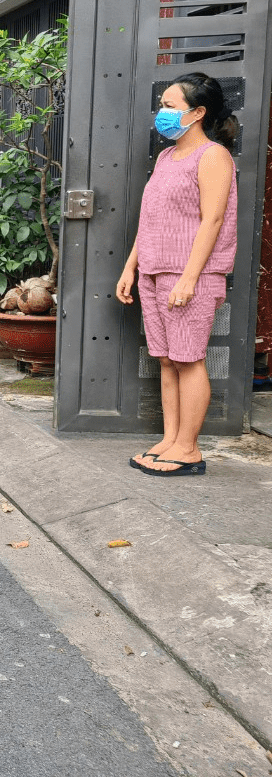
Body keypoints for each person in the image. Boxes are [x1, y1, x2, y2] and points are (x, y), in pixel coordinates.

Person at [116, 72, 239, 477]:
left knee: (188, 359)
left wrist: (189, 278)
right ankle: (170, 439)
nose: (162, 113)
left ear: (198, 112)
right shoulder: (167, 158)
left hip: (190, 276)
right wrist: (131, 266)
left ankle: (188, 448)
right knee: (167, 360)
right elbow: (151, 218)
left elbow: (213, 219)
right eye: (162, 105)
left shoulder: (214, 156)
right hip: (153, 270)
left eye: (170, 106)